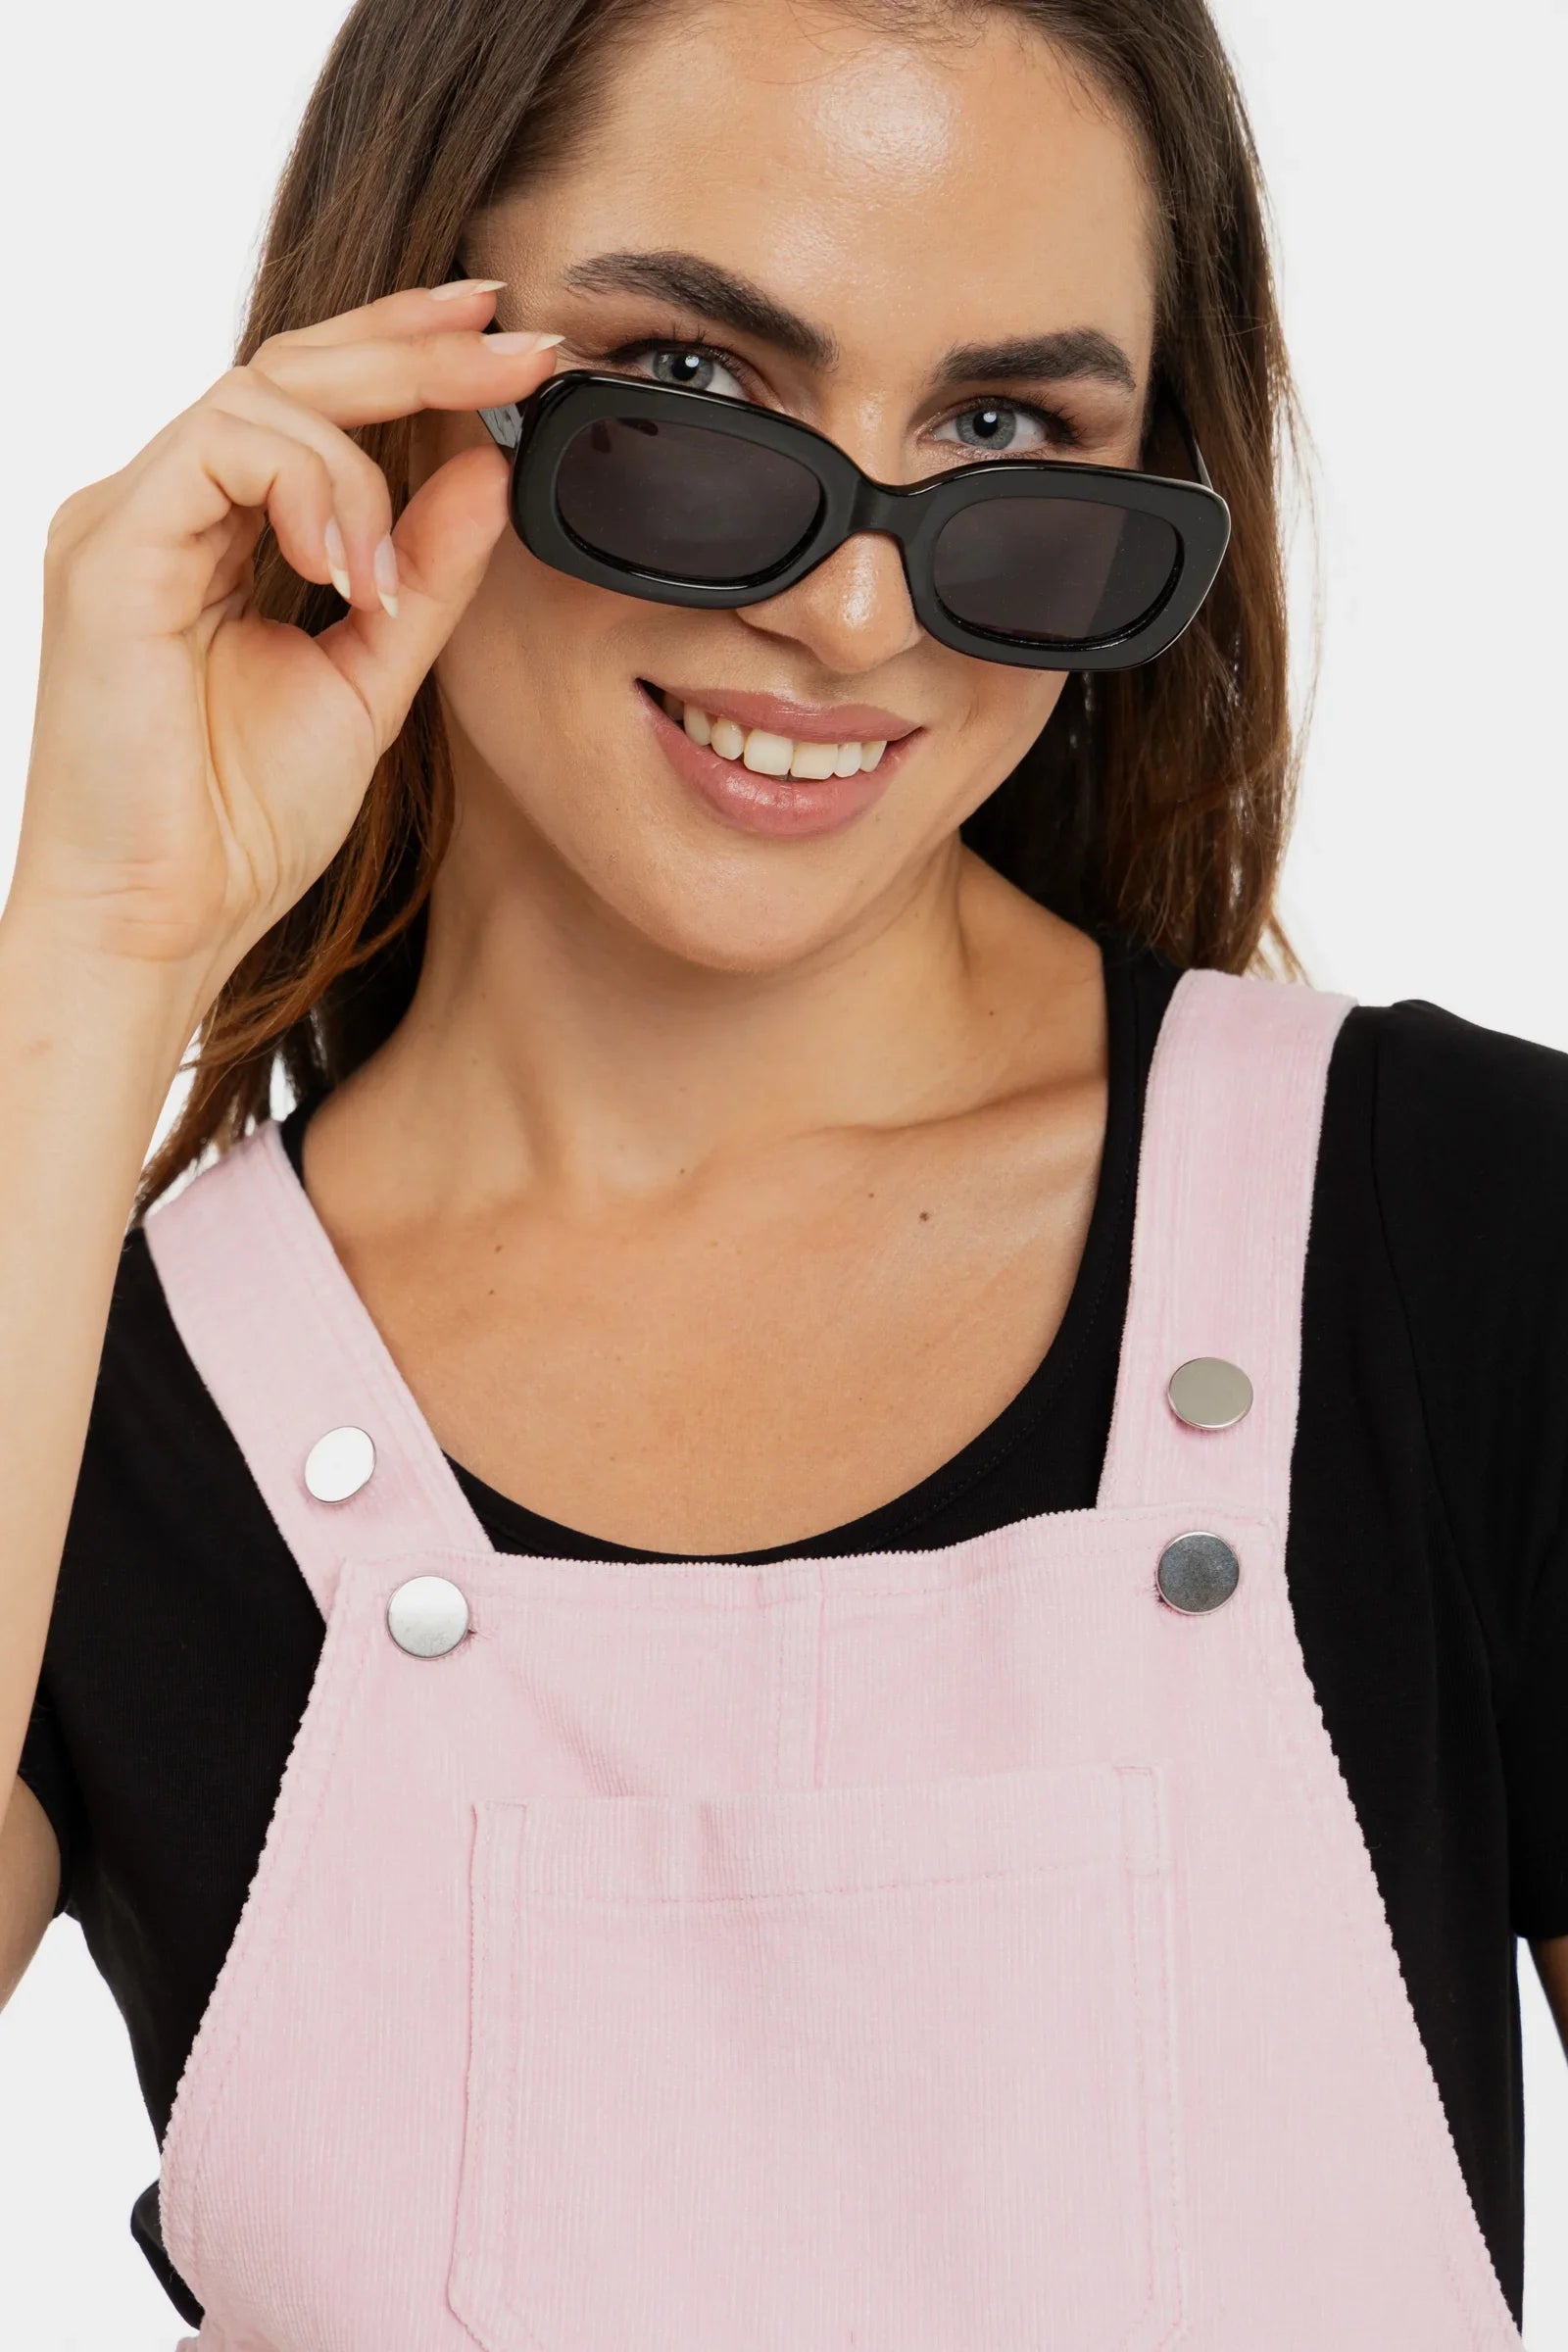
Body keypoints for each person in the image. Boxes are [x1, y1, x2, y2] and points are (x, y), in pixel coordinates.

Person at [1, 0, 1564, 2343]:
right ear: (400, 378)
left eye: (1006, 432)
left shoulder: (1477, 1244)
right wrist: (97, 951)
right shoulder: (79, 1407)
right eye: (689, 390)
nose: (850, 612)